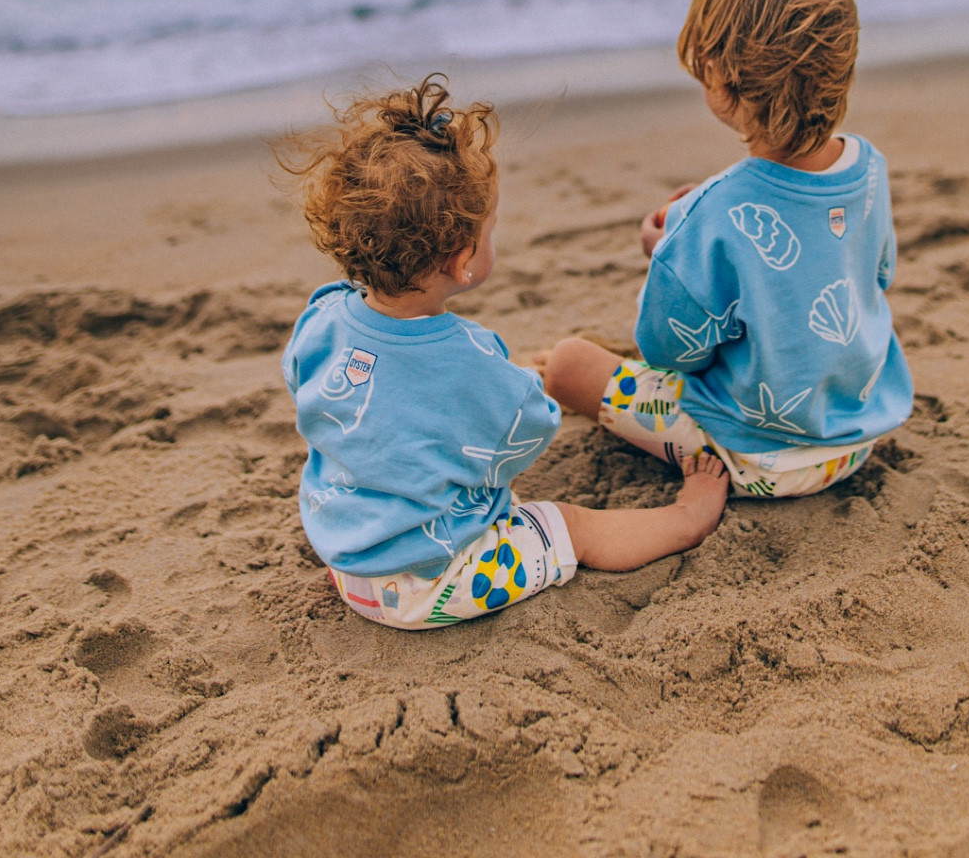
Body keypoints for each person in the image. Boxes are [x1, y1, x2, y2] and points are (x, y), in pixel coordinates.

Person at [278, 76, 728, 630]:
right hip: (430, 583)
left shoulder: (322, 317)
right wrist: (516, 384)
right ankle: (687, 518)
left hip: (347, 560)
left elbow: (313, 386)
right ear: (464, 259)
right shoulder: (469, 358)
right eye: (489, 228)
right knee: (570, 528)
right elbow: (528, 432)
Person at [541, 0, 913, 499]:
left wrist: (666, 250)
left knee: (568, 365)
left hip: (756, 456)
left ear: (719, 74)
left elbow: (671, 351)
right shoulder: (869, 167)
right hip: (855, 437)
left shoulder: (711, 212)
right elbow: (877, 275)